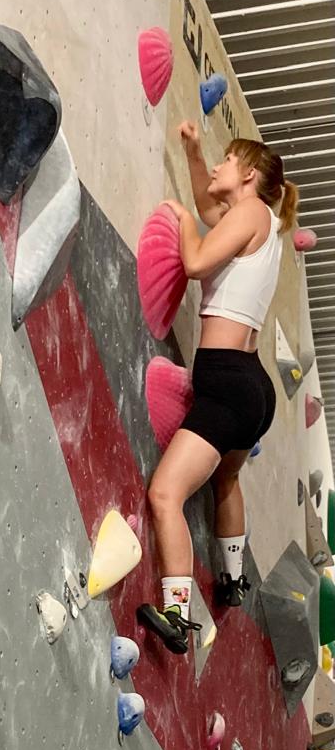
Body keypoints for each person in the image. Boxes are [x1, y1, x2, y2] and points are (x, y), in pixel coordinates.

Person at [137, 126, 300, 655]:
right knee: (225, 481)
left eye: (226, 161)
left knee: (166, 494)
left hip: (229, 385)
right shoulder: (260, 222)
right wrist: (192, 153)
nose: (217, 169)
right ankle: (231, 580)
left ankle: (177, 616)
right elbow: (214, 218)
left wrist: (181, 220)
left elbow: (196, 261)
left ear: (249, 174)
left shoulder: (252, 212)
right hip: (250, 388)